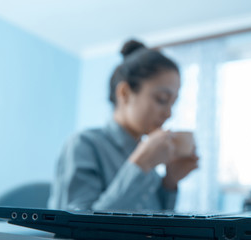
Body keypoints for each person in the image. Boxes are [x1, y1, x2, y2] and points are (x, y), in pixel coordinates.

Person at [48, 40, 198, 212]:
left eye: (173, 103)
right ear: (125, 93)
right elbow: (75, 225)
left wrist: (170, 182)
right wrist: (140, 165)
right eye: (162, 99)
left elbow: (155, 223)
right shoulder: (84, 144)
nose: (169, 113)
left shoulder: (145, 153)